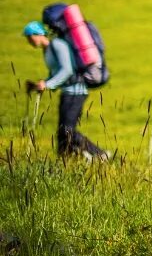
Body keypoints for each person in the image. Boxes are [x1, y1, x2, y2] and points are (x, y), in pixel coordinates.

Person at [22, 21, 107, 160]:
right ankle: (64, 161)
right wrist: (43, 84)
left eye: (29, 37)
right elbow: (56, 72)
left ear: (38, 34)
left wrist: (48, 84)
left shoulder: (57, 45)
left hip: (76, 92)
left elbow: (67, 70)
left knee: (68, 130)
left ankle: (99, 154)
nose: (29, 41)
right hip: (67, 92)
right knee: (62, 133)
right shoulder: (47, 50)